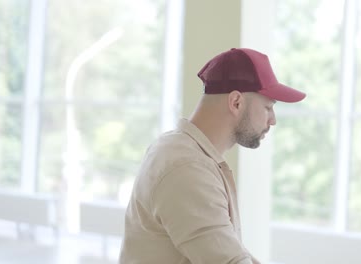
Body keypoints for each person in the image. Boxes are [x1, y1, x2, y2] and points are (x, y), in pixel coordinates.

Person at [119, 48, 306, 264]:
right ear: (236, 102)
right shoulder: (186, 167)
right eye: (267, 107)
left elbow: (232, 253)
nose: (273, 120)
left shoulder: (187, 154)